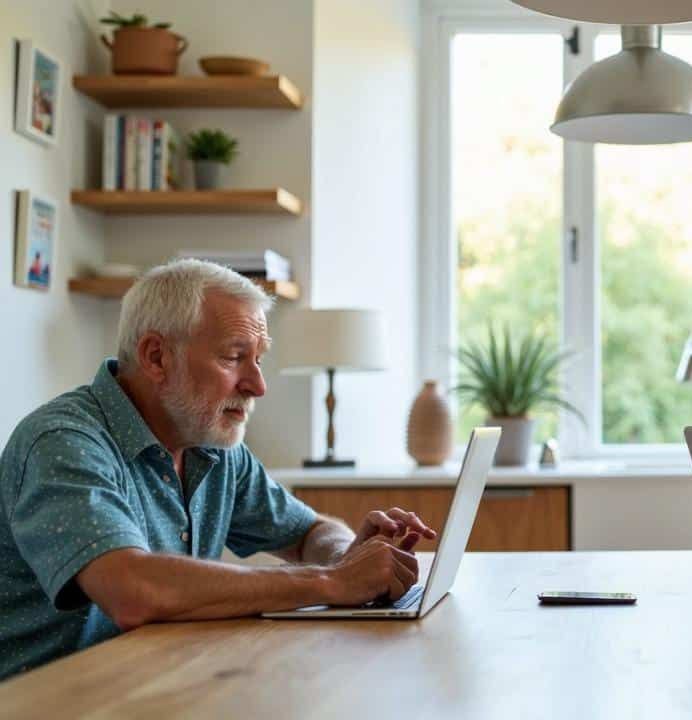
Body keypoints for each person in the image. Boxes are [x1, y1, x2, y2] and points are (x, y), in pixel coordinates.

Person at [0, 260, 434, 680]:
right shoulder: (61, 442)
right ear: (156, 357)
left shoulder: (213, 447)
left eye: (258, 359)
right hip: (45, 701)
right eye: (233, 357)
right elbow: (131, 590)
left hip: (152, 684)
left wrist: (346, 555)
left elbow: (307, 533)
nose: (257, 385)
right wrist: (330, 582)